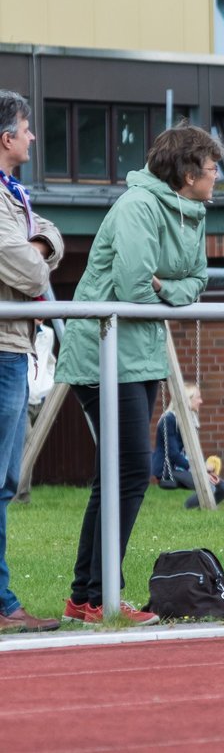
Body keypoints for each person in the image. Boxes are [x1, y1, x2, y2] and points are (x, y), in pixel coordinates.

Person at [56, 123, 220, 626]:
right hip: (102, 353)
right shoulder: (137, 208)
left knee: (121, 473)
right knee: (129, 471)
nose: (217, 178)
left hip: (142, 352)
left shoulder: (193, 214)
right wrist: (167, 291)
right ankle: (98, 594)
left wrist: (167, 289)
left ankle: (87, 596)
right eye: (212, 169)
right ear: (188, 172)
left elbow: (198, 280)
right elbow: (131, 287)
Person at [0, 89, 64, 633]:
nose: (33, 137)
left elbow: (52, 239)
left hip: (13, 347)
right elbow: (28, 271)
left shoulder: (13, 194)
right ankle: (1, 604)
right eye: (27, 128)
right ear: (7, 138)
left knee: (4, 481)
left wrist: (38, 245)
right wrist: (38, 250)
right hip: (2, 350)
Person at [150, 384, 224, 509]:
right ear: (188, 399)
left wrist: (204, 466)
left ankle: (200, 512)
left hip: (184, 467)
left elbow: (190, 452)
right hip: (169, 470)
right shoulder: (168, 420)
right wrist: (199, 468)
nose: (201, 401)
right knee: (207, 486)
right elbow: (173, 454)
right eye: (198, 398)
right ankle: (188, 510)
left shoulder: (190, 420)